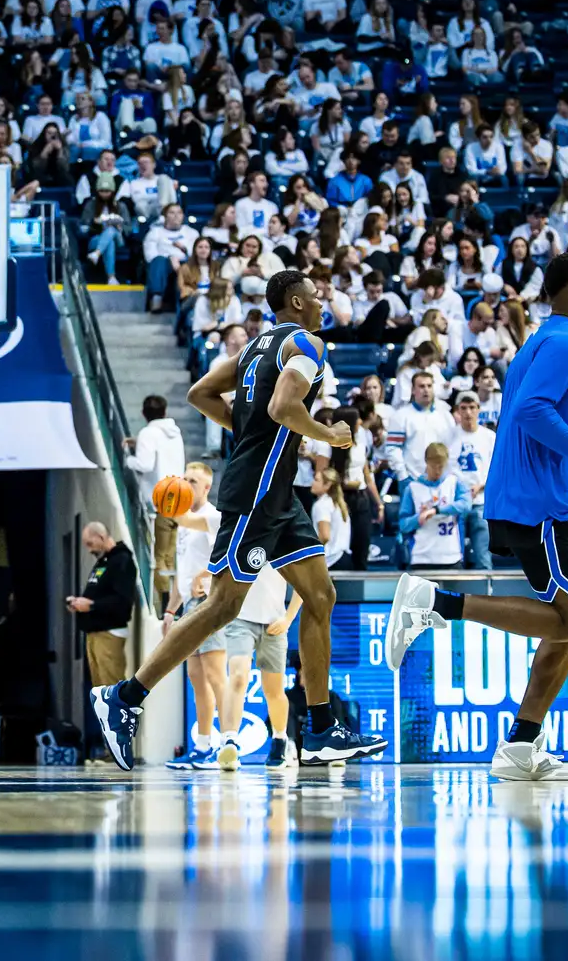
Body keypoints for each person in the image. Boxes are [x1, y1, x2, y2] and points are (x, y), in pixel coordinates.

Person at [93, 270, 384, 770]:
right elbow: (283, 406)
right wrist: (328, 435)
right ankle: (124, 697)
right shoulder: (307, 344)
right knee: (223, 605)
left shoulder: (254, 348)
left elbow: (201, 393)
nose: (323, 302)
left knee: (320, 596)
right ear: (296, 302)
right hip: (257, 491)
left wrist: (250, 430)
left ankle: (319, 729)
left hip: (279, 493)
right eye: (316, 295)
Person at [384, 253, 568, 781]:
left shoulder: (541, 342)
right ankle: (435, 603)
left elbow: (530, 427)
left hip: (537, 493)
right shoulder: (567, 343)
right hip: (542, 504)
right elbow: (531, 412)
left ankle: (522, 744)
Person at [162, 462, 229, 770]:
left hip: (209, 603)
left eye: (193, 481)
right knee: (196, 678)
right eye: (185, 478)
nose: (187, 484)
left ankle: (228, 744)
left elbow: (224, 558)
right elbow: (182, 572)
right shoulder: (184, 525)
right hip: (189, 605)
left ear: (206, 487)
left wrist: (205, 575)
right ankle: (203, 746)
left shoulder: (213, 517)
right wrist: (170, 610)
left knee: (216, 676)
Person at [69, 520, 136, 723]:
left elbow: (122, 601)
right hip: (95, 633)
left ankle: (120, 740)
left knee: (112, 692)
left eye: (90, 544)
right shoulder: (104, 562)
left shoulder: (122, 561)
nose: (89, 549)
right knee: (101, 695)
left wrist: (91, 605)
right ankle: (109, 741)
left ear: (101, 537)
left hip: (109, 634)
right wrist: (79, 604)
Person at [123, 394, 186, 599]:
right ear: (165, 412)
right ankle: (175, 601)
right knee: (170, 556)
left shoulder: (148, 434)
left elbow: (145, 464)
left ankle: (166, 601)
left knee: (158, 557)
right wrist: (137, 442)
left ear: (143, 413)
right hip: (179, 497)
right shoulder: (174, 433)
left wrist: (128, 460)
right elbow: (161, 450)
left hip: (162, 500)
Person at [399, 443, 469, 570]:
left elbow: (466, 505)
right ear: (426, 462)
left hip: (451, 558)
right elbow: (403, 525)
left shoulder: (454, 483)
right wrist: (418, 518)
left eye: (441, 467)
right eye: (433, 467)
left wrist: (437, 510)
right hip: (422, 558)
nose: (437, 471)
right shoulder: (413, 488)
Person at [447, 391, 496, 568]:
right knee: (454, 556)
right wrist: (460, 490)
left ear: (478, 409)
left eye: (472, 407)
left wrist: (481, 486)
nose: (468, 412)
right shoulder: (448, 436)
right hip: (455, 502)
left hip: (481, 501)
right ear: (458, 410)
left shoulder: (489, 437)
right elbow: (444, 468)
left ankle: (487, 586)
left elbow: (497, 470)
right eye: (464, 408)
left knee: (483, 555)